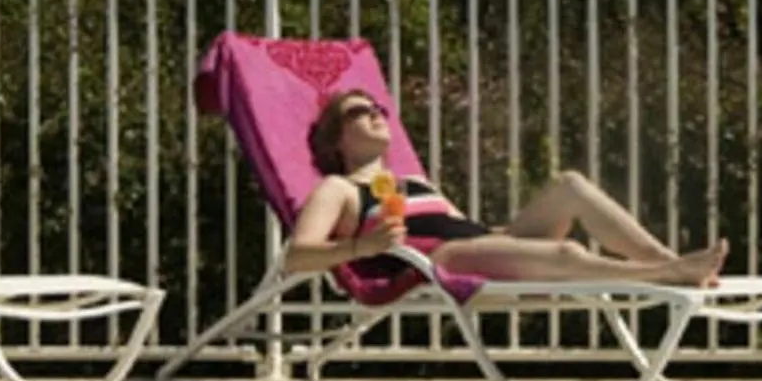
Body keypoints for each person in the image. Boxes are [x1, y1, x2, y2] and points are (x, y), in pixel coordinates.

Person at [286, 88, 729, 286]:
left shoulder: (412, 181)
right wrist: (362, 249)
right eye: (359, 111)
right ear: (336, 138)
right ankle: (667, 276)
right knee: (566, 254)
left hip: (479, 241)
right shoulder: (338, 188)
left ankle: (673, 264)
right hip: (439, 262)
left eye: (378, 106)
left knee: (569, 185)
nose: (376, 112)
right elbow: (297, 256)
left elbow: (459, 224)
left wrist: (502, 237)